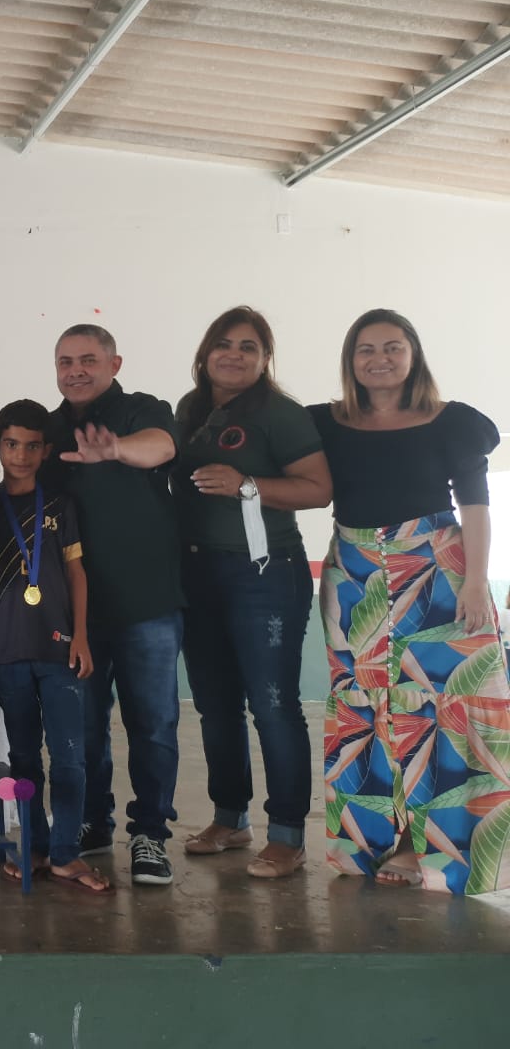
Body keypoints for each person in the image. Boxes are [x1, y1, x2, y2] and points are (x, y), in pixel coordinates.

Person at [313, 309, 508, 894]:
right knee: (365, 708)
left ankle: (437, 849)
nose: (380, 359)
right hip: (355, 577)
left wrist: (475, 580)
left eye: (393, 347)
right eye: (366, 349)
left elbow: (475, 504)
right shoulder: (323, 423)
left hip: (439, 569)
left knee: (448, 705)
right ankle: (376, 840)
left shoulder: (451, 422)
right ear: (350, 360)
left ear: (414, 354)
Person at [174, 308, 330, 880]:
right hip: (197, 574)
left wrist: (248, 486)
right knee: (215, 704)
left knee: (272, 704)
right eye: (224, 343)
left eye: (248, 346)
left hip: (265, 574)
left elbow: (319, 489)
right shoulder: (190, 409)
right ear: (205, 353)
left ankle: (287, 834)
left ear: (265, 359)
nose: (234, 354)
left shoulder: (280, 413)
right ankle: (230, 819)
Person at [44, 324, 183, 886]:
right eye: (65, 361)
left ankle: (150, 833)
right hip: (75, 610)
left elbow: (162, 446)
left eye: (88, 360)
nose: (75, 370)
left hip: (147, 601)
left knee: (153, 724)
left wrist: (116, 450)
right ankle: (91, 823)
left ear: (114, 364)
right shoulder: (50, 428)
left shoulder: (141, 410)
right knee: (83, 726)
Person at [0, 400, 110, 894]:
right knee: (25, 758)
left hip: (59, 649)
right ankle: (34, 845)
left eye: (32, 446)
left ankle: (67, 854)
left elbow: (76, 572)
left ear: (46, 451)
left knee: (70, 756)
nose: (21, 455)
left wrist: (82, 635)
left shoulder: (60, 506)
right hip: (6, 652)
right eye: (11, 444)